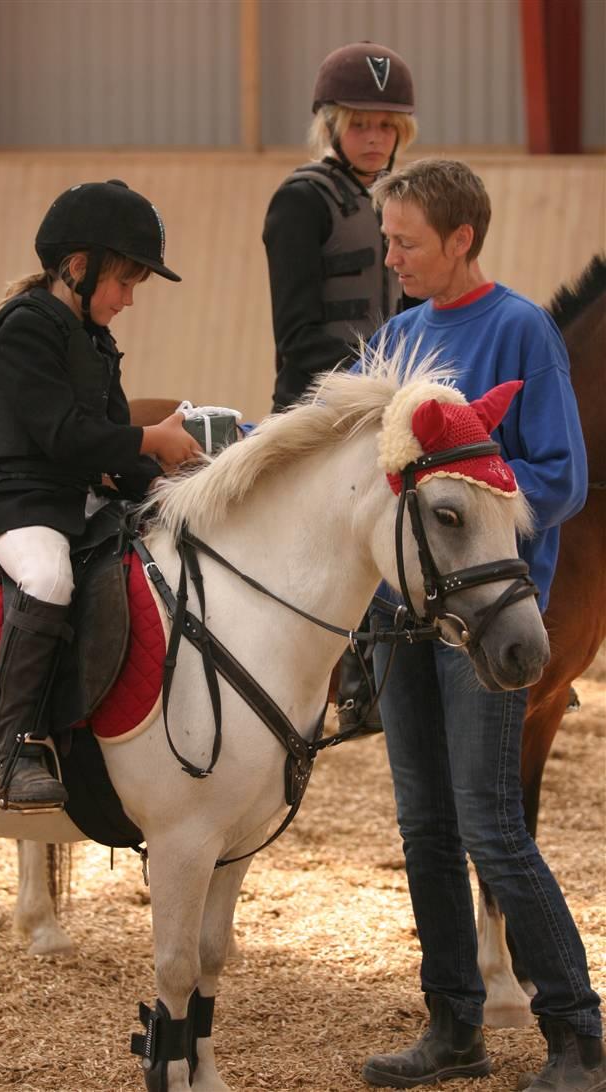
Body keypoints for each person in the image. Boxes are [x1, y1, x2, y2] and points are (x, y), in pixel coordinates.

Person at [355, 159, 603, 1091]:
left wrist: (458, 495)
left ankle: (577, 1035)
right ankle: (454, 1029)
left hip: (485, 619)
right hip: (401, 617)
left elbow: (561, 478)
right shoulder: (398, 336)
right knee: (424, 828)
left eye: (406, 242)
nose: (392, 257)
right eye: (387, 240)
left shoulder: (522, 330)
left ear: (461, 239)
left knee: (492, 828)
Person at [0, 179, 201, 812]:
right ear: (77, 268)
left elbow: (110, 448)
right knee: (48, 579)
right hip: (15, 500)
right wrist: (151, 438)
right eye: (123, 282)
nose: (128, 299)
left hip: (74, 498)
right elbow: (65, 435)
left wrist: (167, 484)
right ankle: (10, 752)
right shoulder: (23, 327)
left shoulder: (94, 338)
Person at [262, 40, 418, 735]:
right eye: (360, 124)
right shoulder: (301, 201)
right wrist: (372, 387)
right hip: (322, 400)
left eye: (386, 125)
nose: (375, 137)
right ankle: (358, 672)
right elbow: (297, 334)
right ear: (331, 124)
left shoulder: (403, 198)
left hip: (392, 396)